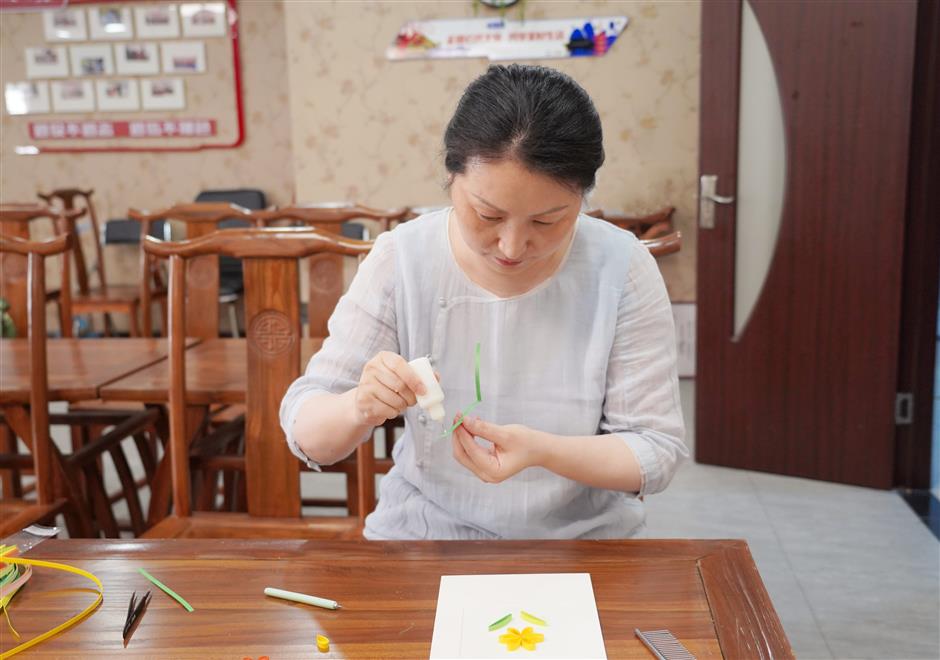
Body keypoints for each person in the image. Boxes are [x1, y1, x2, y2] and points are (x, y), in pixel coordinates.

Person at [280, 63, 687, 540]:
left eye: (547, 221)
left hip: (584, 544)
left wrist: (541, 451)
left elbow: (656, 452)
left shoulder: (621, 267)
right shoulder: (403, 259)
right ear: (451, 176)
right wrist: (359, 407)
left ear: (584, 196)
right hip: (425, 536)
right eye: (487, 214)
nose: (513, 247)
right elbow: (309, 432)